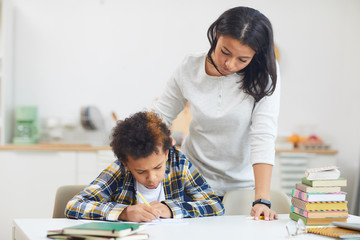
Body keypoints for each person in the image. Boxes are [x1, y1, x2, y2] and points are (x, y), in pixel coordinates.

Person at [152, 6, 280, 220]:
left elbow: (263, 135)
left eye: (243, 59)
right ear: (217, 36)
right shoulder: (190, 67)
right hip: (192, 182)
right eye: (225, 52)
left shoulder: (263, 75)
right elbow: (158, 118)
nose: (230, 64)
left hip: (241, 187)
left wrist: (261, 200)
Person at [65, 111, 224, 222]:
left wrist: (171, 209)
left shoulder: (178, 163)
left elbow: (215, 205)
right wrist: (124, 212)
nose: (151, 178)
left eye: (157, 167)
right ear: (126, 164)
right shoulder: (120, 169)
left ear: (167, 153)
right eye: (141, 171)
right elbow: (75, 205)